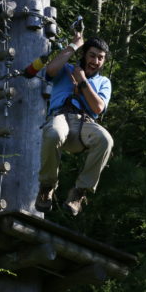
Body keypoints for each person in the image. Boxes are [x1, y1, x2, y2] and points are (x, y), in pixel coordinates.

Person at [35, 33, 114, 216]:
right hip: (61, 116)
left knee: (106, 140)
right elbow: (50, 70)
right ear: (84, 54)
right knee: (53, 133)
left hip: (85, 123)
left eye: (100, 58)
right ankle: (47, 186)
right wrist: (73, 46)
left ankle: (79, 192)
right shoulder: (66, 69)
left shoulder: (103, 82)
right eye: (92, 55)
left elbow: (98, 107)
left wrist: (82, 81)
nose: (95, 61)